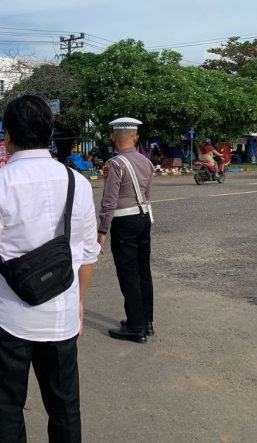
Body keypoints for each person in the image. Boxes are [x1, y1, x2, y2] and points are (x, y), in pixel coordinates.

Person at [0, 95, 99, 442]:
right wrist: (78, 302)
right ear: (50, 132)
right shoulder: (77, 182)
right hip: (62, 318)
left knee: (7, 407)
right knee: (65, 407)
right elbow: (86, 252)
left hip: (10, 319)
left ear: (6, 135)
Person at [98, 117, 155, 344]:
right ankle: (146, 321)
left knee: (128, 273)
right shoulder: (147, 162)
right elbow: (147, 193)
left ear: (113, 138)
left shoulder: (116, 164)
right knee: (143, 271)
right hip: (144, 218)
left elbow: (109, 200)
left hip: (124, 222)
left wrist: (102, 229)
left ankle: (135, 327)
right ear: (136, 138)